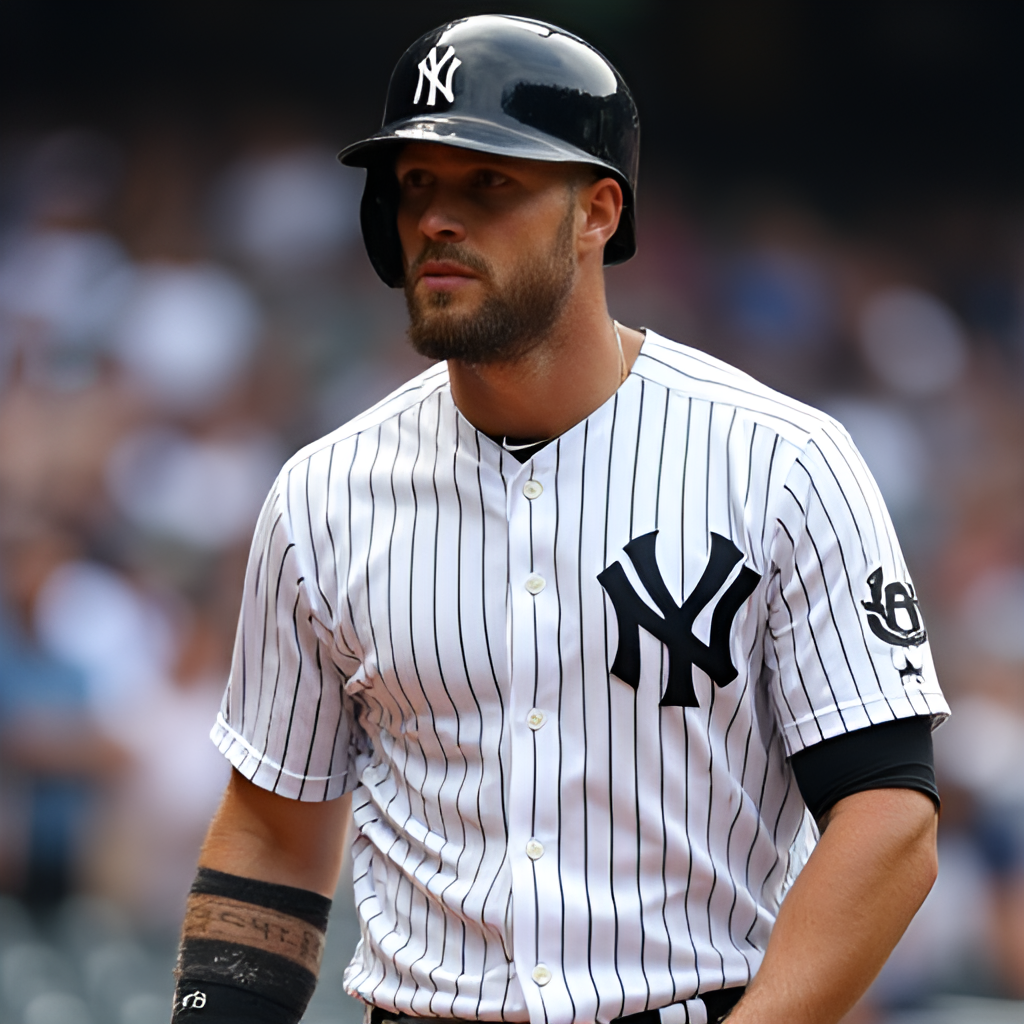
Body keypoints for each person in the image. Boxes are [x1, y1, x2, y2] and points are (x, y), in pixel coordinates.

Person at [171, 15, 949, 1024]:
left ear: (597, 210)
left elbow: (888, 816)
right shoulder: (323, 493)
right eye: (416, 183)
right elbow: (273, 831)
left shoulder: (780, 463)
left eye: (489, 182)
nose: (437, 219)